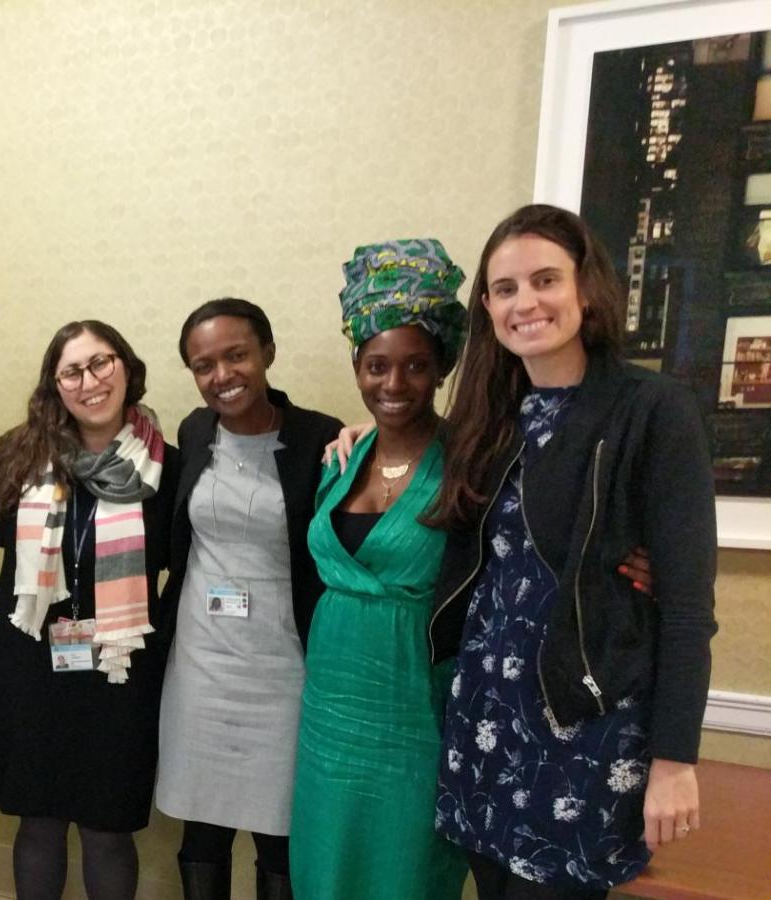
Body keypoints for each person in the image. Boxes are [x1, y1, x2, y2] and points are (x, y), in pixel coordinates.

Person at [429, 204, 717, 899]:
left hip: (583, 729)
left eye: (545, 279)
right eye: (505, 289)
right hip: (485, 718)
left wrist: (675, 759)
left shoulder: (651, 409)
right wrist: (359, 435)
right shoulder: (490, 414)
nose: (525, 302)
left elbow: (686, 609)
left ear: (586, 290)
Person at [0, 321, 180, 900]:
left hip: (118, 668)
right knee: (39, 822)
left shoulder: (169, 468)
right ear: (55, 386)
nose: (89, 381)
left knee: (108, 829)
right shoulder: (17, 457)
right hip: (31, 668)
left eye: (101, 363)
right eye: (72, 371)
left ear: (126, 366)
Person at [289, 240, 471, 900]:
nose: (393, 385)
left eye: (415, 366)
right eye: (377, 366)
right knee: (327, 856)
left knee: (405, 866)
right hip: (331, 697)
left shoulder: (472, 462)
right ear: (358, 366)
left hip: (415, 704)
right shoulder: (340, 457)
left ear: (441, 366)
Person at [155, 298, 344, 900]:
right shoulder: (192, 430)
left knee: (281, 836)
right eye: (203, 364)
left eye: (235, 355)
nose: (221, 376)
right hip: (202, 665)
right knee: (202, 830)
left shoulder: (321, 436)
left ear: (266, 353)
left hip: (283, 670)